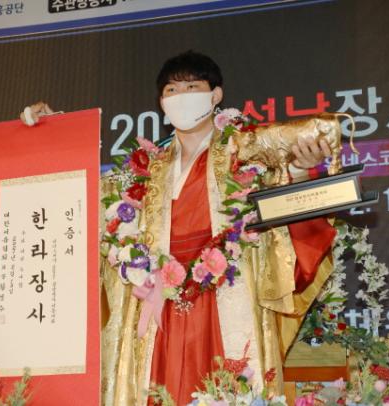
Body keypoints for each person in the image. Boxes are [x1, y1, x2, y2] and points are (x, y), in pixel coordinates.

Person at [23, 51, 337, 406]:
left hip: (225, 295)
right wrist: (55, 133)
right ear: (161, 103)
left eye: (192, 87)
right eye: (171, 90)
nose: (181, 97)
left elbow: (281, 204)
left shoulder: (244, 152)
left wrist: (299, 170)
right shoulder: (144, 170)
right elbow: (89, 201)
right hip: (158, 307)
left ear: (215, 95)